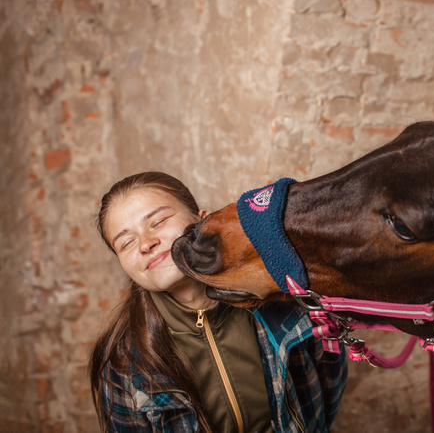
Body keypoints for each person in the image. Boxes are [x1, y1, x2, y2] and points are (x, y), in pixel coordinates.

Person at [89, 172, 347, 432]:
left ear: (203, 221)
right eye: (127, 243)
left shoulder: (283, 306)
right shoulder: (124, 362)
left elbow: (327, 388)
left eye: (158, 221)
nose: (146, 243)